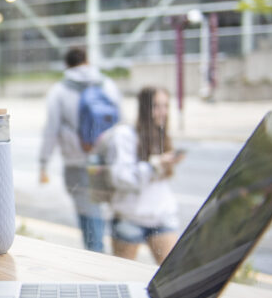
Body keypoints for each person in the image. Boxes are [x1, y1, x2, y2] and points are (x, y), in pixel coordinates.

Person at [38, 46, 122, 252]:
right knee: (100, 209)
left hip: (76, 161)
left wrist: (43, 163)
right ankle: (99, 252)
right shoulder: (107, 84)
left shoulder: (59, 91)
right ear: (87, 60)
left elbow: (51, 129)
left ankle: (96, 257)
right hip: (105, 159)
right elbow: (121, 121)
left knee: (87, 213)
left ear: (66, 64)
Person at [107, 86, 184, 264]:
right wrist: (154, 166)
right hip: (130, 218)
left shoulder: (161, 134)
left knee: (171, 276)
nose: (162, 112)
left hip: (161, 217)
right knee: (122, 277)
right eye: (156, 106)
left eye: (166, 106)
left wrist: (167, 163)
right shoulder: (125, 135)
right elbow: (120, 177)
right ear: (144, 108)